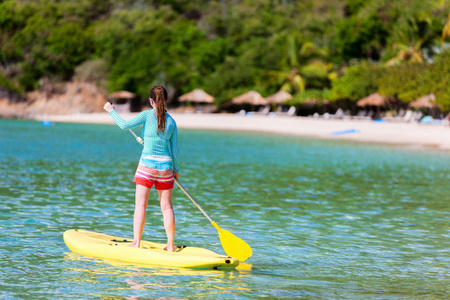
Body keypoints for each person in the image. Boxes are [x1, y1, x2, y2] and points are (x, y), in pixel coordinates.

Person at [103, 85, 179, 251]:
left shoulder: (146, 115)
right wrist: (176, 170)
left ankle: (136, 242)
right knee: (167, 207)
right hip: (166, 167)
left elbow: (124, 125)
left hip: (147, 165)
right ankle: (171, 245)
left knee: (140, 205)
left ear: (151, 100)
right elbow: (174, 150)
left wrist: (111, 111)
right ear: (166, 100)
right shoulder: (172, 121)